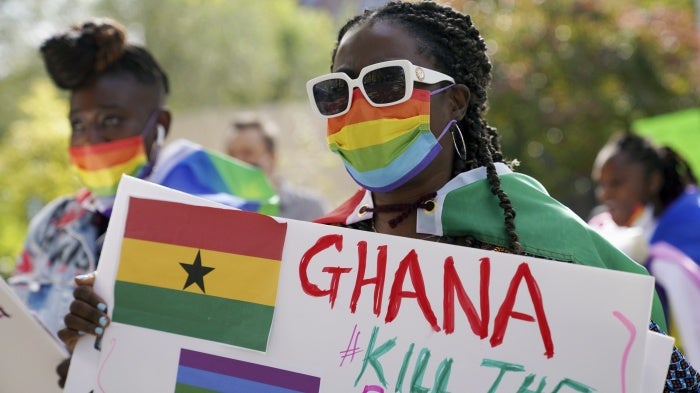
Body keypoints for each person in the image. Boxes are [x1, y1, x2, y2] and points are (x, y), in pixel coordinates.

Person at [58, 2, 699, 390]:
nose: (358, 107)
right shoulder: (312, 253)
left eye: (386, 83)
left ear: (454, 100)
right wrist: (110, 329)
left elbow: (650, 373)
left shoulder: (552, 244)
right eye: (338, 92)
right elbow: (206, 365)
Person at [9, 18, 276, 388]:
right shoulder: (53, 223)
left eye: (111, 120)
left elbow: (232, 359)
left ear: (159, 125)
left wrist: (97, 365)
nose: (91, 139)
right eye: (78, 124)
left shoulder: (214, 224)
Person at [590, 132, 700, 265]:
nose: (604, 194)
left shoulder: (692, 222)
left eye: (616, 183)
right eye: (601, 184)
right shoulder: (601, 227)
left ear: (653, 181)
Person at [225, 114, 328, 221]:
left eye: (248, 153)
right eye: (231, 154)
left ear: (272, 157)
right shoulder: (222, 210)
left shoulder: (309, 209)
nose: (237, 161)